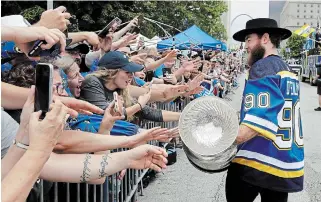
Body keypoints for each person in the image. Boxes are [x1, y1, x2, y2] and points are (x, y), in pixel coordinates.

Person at [228, 18, 303, 202]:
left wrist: (219, 137)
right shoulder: (285, 68)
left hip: (258, 160)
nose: (245, 45)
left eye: (248, 39)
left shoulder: (263, 66)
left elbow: (255, 123)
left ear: (265, 38)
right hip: (284, 163)